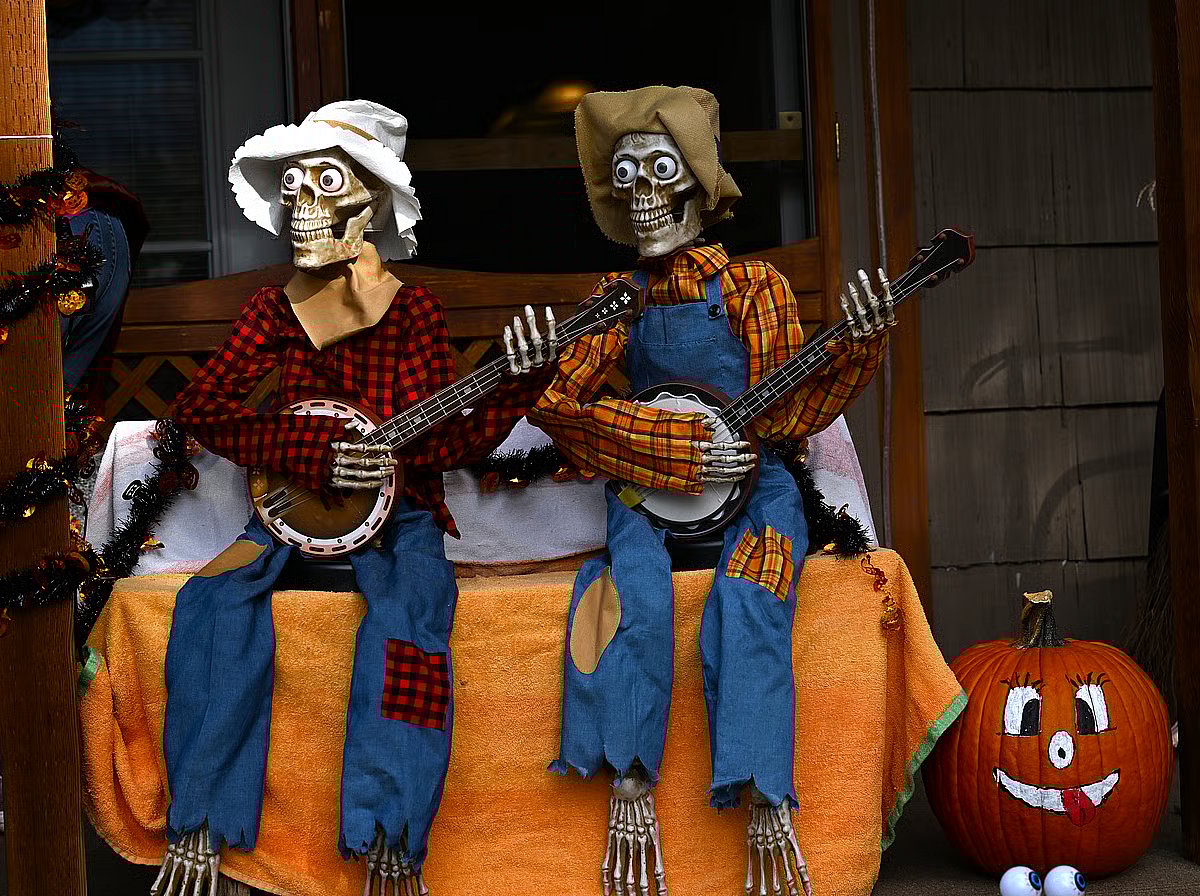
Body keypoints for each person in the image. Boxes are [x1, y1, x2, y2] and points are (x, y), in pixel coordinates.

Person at [155, 100, 554, 896]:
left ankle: (389, 836)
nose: (299, 205)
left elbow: (443, 447)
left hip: (397, 512)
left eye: (321, 186)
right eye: (291, 189)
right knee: (211, 607)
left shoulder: (414, 313)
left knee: (412, 627)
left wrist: (519, 385)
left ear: (366, 205)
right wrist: (301, 449)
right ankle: (204, 822)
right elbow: (199, 411)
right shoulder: (274, 310)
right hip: (290, 508)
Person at [527, 85, 895, 896]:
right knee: (634, 598)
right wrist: (670, 447)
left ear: (697, 180)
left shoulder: (754, 287)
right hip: (644, 496)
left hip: (756, 483)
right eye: (625, 176)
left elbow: (792, 408)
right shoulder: (616, 301)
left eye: (661, 170)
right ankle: (629, 773)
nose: (643, 194)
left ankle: (765, 788)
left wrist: (858, 352)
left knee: (753, 593)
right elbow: (561, 407)